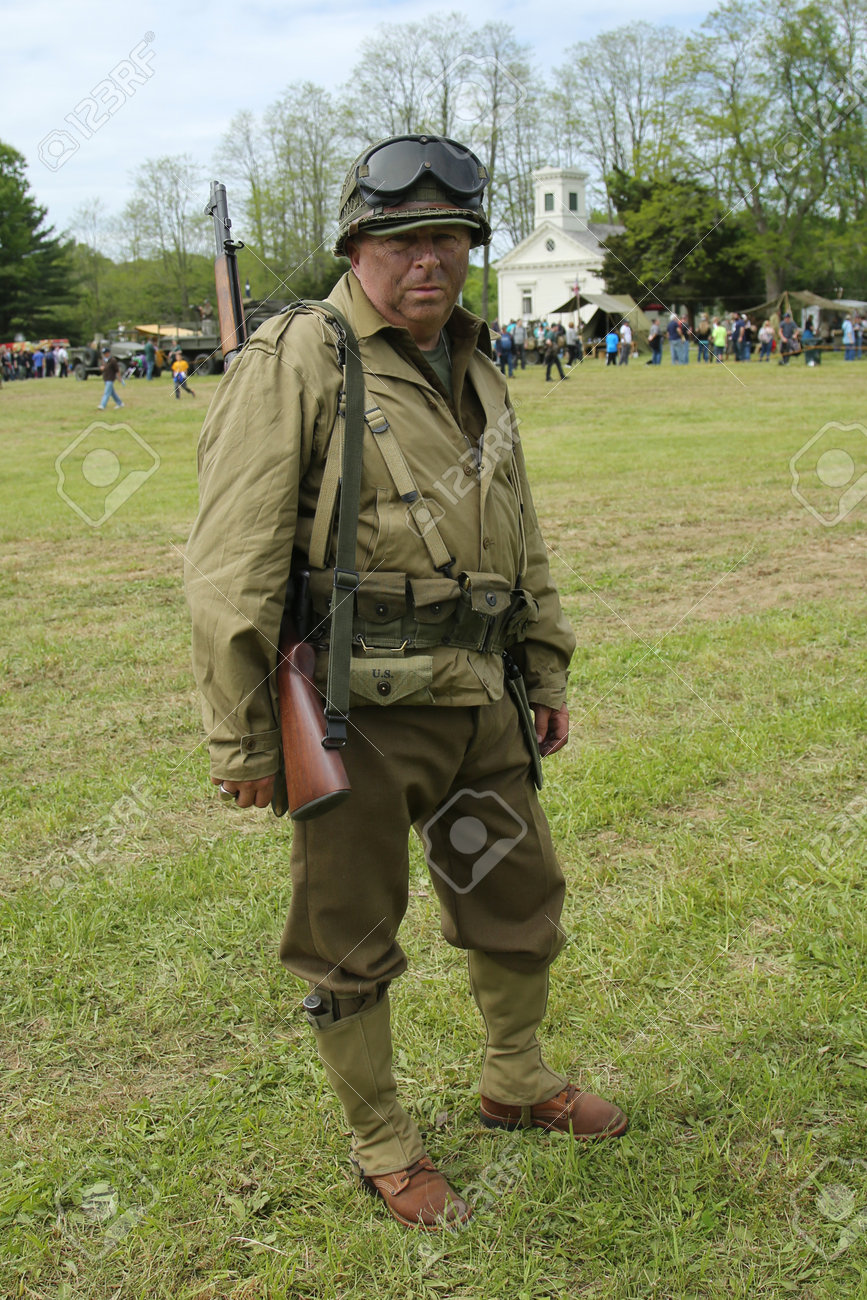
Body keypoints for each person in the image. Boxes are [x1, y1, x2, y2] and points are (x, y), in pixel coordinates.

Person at [185, 132, 626, 1233]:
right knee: (349, 928)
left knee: (515, 897)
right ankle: (382, 1137)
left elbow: (519, 533)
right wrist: (243, 739)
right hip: (354, 712)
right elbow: (227, 565)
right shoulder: (299, 357)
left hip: (478, 696)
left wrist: (545, 660)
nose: (429, 260)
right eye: (403, 240)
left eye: (450, 239)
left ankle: (514, 1079)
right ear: (356, 245)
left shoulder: (475, 362)